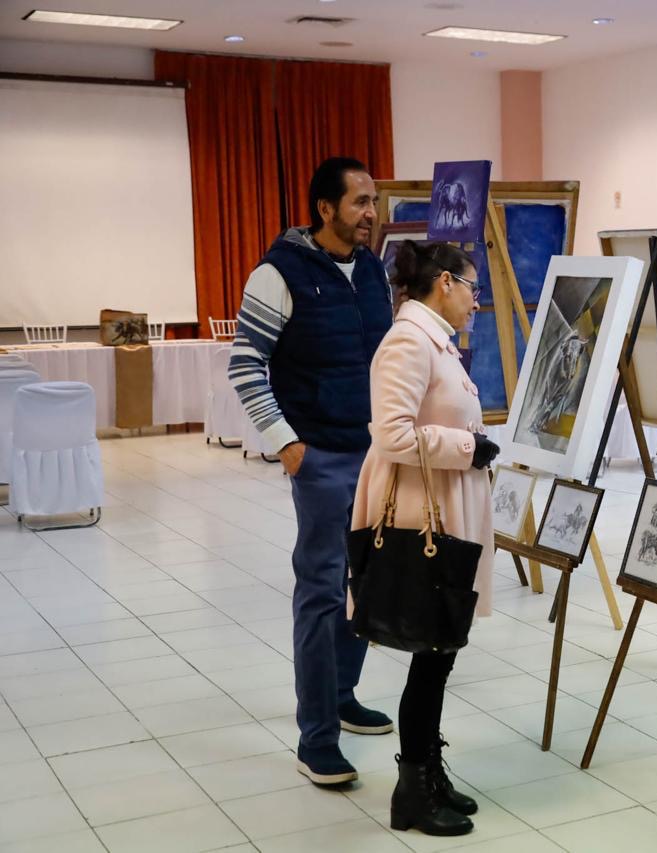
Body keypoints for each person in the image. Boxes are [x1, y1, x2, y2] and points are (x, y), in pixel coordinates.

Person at [229, 157, 394, 785]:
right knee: (322, 593)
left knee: (369, 584)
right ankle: (316, 735)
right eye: (358, 203)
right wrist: (287, 445)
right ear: (324, 209)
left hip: (377, 454)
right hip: (321, 456)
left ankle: (344, 696)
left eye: (372, 202)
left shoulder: (374, 270)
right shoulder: (278, 273)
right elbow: (246, 366)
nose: (370, 214)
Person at [351, 240, 499, 836]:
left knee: (441, 651)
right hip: (420, 516)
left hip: (441, 505)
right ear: (444, 282)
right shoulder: (409, 340)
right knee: (433, 650)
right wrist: (467, 448)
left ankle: (428, 773)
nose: (475, 301)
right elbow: (391, 435)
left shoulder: (431, 338)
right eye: (472, 288)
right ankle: (411, 792)